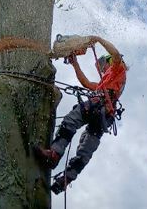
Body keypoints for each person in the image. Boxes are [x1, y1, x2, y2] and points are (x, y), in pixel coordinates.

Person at [34, 35, 127, 194]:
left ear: (109, 62)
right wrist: (75, 63)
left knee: (71, 121)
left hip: (98, 106)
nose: (102, 68)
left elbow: (116, 54)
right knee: (86, 146)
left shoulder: (118, 68)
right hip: (104, 116)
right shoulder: (104, 83)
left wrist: (98, 39)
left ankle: (55, 153)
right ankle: (66, 179)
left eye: (103, 65)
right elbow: (85, 83)